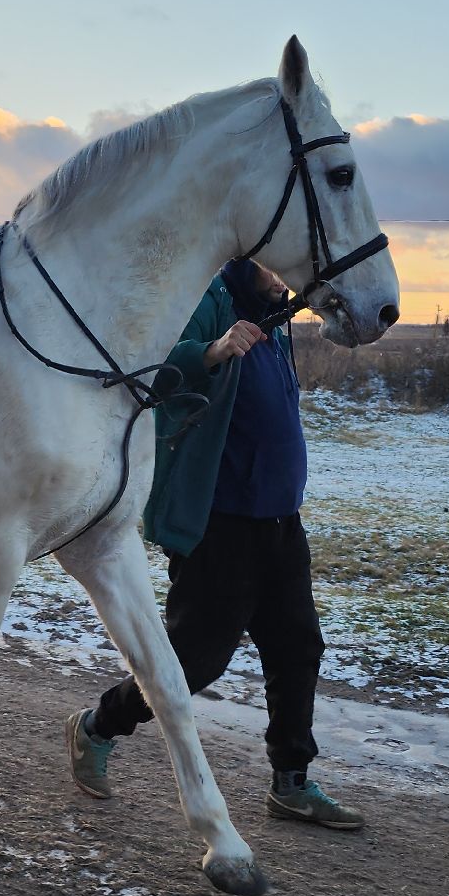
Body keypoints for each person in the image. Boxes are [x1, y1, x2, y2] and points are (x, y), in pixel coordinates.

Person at [64, 259, 364, 829]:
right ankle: (98, 725)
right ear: (250, 256)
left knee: (297, 648)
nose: (286, 279)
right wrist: (213, 350)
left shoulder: (275, 320)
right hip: (220, 522)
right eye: (277, 268)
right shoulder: (208, 296)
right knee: (194, 662)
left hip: (280, 521)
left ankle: (292, 783)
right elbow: (156, 370)